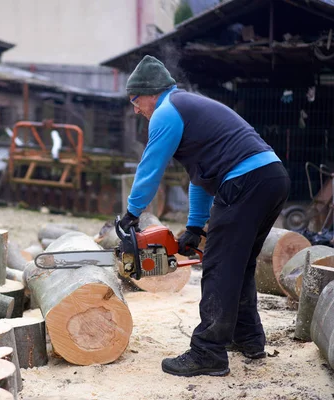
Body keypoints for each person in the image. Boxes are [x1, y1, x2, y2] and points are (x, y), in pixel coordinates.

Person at [119, 55, 290, 377]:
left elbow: (151, 165)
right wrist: (195, 227)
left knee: (219, 265)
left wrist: (132, 212)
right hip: (271, 177)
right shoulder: (188, 109)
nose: (135, 109)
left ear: (150, 93)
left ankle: (208, 352)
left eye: (135, 100)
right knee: (239, 264)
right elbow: (200, 178)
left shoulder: (166, 112)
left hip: (246, 180)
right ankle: (249, 339)